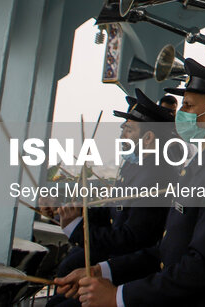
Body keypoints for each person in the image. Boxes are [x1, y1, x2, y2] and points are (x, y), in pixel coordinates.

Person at [55, 59, 205, 307]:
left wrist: (117, 297)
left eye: (188, 105)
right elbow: (167, 250)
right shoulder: (204, 162)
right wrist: (104, 270)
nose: (181, 114)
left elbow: (200, 266)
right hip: (183, 291)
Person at [51, 90, 176, 284]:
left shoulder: (157, 177)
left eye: (128, 130)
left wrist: (77, 230)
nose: (121, 136)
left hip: (127, 271)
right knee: (68, 266)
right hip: (113, 253)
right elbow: (111, 212)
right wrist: (71, 212)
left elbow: (132, 239)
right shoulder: (133, 166)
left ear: (148, 138)